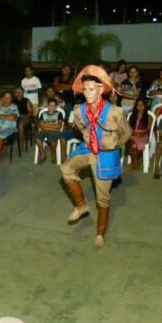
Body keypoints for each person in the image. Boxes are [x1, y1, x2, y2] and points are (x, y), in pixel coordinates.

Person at [60, 65, 132, 247]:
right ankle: (81, 205)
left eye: (91, 89)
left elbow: (127, 133)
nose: (87, 93)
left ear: (101, 89)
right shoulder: (79, 112)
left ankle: (100, 234)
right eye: (84, 90)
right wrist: (89, 139)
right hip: (88, 150)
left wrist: (115, 145)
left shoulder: (115, 112)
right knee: (66, 168)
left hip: (106, 156)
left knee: (103, 198)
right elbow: (83, 128)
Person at [0, 91, 20, 164]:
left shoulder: (14, 106)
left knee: (0, 136)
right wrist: (0, 105)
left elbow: (12, 117)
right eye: (5, 97)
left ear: (11, 99)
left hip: (10, 127)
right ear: (2, 98)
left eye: (9, 98)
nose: (7, 99)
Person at [35, 95, 66, 164]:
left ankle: (53, 152)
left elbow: (59, 126)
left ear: (56, 107)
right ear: (47, 106)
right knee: (37, 137)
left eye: (54, 106)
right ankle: (43, 153)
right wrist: (53, 127)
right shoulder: (43, 114)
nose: (52, 107)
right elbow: (41, 125)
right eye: (50, 105)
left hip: (54, 132)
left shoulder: (59, 114)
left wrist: (47, 126)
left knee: (53, 141)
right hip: (45, 131)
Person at [127, 97, 152, 172]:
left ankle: (135, 161)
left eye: (142, 105)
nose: (140, 107)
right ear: (136, 106)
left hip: (143, 135)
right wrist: (133, 133)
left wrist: (141, 134)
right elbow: (129, 128)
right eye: (138, 105)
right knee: (129, 145)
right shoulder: (132, 116)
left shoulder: (148, 117)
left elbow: (148, 130)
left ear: (145, 106)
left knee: (140, 146)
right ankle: (135, 162)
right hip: (133, 134)